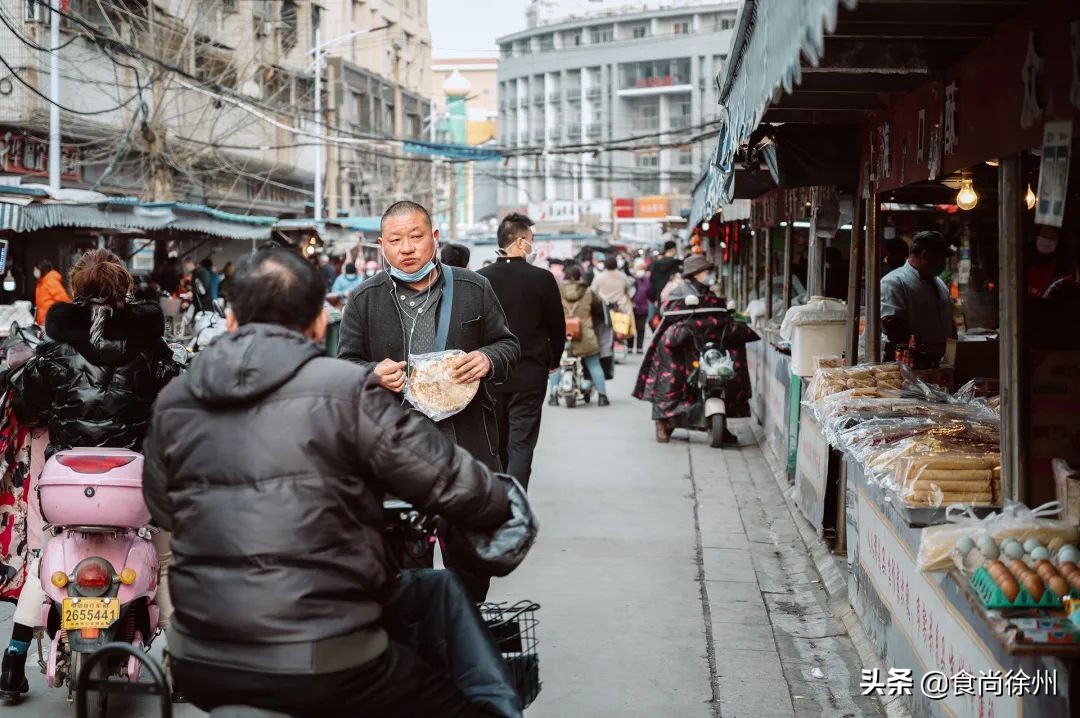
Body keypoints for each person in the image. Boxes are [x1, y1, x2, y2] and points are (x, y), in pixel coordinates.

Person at [142, 248, 521, 718]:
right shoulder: (347, 390)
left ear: (232, 320)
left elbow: (162, 507)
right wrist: (496, 501)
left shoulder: (175, 399)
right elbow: (454, 483)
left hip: (198, 655)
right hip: (328, 655)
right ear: (321, 323)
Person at [1, 250, 181, 701]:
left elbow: (24, 405)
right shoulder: (150, 347)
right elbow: (179, 399)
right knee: (164, 566)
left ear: (76, 290)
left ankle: (12, 664)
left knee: (43, 564)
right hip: (131, 482)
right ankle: (180, 667)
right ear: (125, 289)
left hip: (65, 484)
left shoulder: (55, 349)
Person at [337, 201, 519, 473]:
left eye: (416, 237)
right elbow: (346, 365)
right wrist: (373, 374)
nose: (406, 248)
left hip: (466, 442)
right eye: (395, 240)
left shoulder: (473, 287)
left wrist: (488, 358)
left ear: (434, 238)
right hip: (394, 447)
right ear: (382, 245)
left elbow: (508, 345)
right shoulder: (364, 299)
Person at [478, 213, 564, 490]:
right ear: (520, 241)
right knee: (521, 444)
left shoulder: (481, 279)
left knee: (497, 444)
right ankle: (516, 508)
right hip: (530, 374)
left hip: (490, 374)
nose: (533, 245)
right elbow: (556, 327)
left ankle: (497, 504)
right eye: (531, 240)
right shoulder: (542, 279)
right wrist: (555, 360)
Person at [634, 254, 759, 444]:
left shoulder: (711, 294)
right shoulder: (679, 292)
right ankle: (663, 421)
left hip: (705, 342)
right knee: (672, 376)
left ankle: (721, 422)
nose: (710, 275)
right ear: (695, 274)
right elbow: (667, 312)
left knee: (728, 365)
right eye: (706, 271)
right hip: (682, 343)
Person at [880, 230, 956, 362]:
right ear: (925, 256)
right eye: (940, 258)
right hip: (910, 364)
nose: (943, 263)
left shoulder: (940, 284)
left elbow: (950, 322)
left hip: (941, 363)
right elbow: (893, 328)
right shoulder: (894, 282)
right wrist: (919, 356)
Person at [551, 265, 608, 407]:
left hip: (562, 334)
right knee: (594, 364)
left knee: (556, 364)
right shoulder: (588, 291)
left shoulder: (556, 291)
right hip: (585, 336)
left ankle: (553, 395)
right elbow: (599, 308)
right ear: (579, 276)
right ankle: (602, 397)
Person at [1027, 225, 1074, 298]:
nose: (1047, 240)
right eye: (1044, 235)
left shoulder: (1064, 270)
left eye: (1053, 237)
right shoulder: (1021, 260)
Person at [33, 259, 70, 326]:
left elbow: (64, 301)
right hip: (44, 323)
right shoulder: (41, 283)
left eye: (35, 269)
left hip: (51, 323)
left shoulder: (51, 282)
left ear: (41, 269)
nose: (34, 272)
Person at [648, 241, 681, 307]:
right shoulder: (677, 264)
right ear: (673, 249)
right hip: (673, 298)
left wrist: (655, 299)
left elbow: (652, 281)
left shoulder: (655, 264)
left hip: (659, 297)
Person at [631, 258, 652, 354]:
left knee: (641, 328)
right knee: (631, 327)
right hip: (633, 307)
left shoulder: (647, 280)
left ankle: (639, 347)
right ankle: (630, 347)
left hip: (643, 307)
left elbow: (649, 291)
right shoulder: (631, 279)